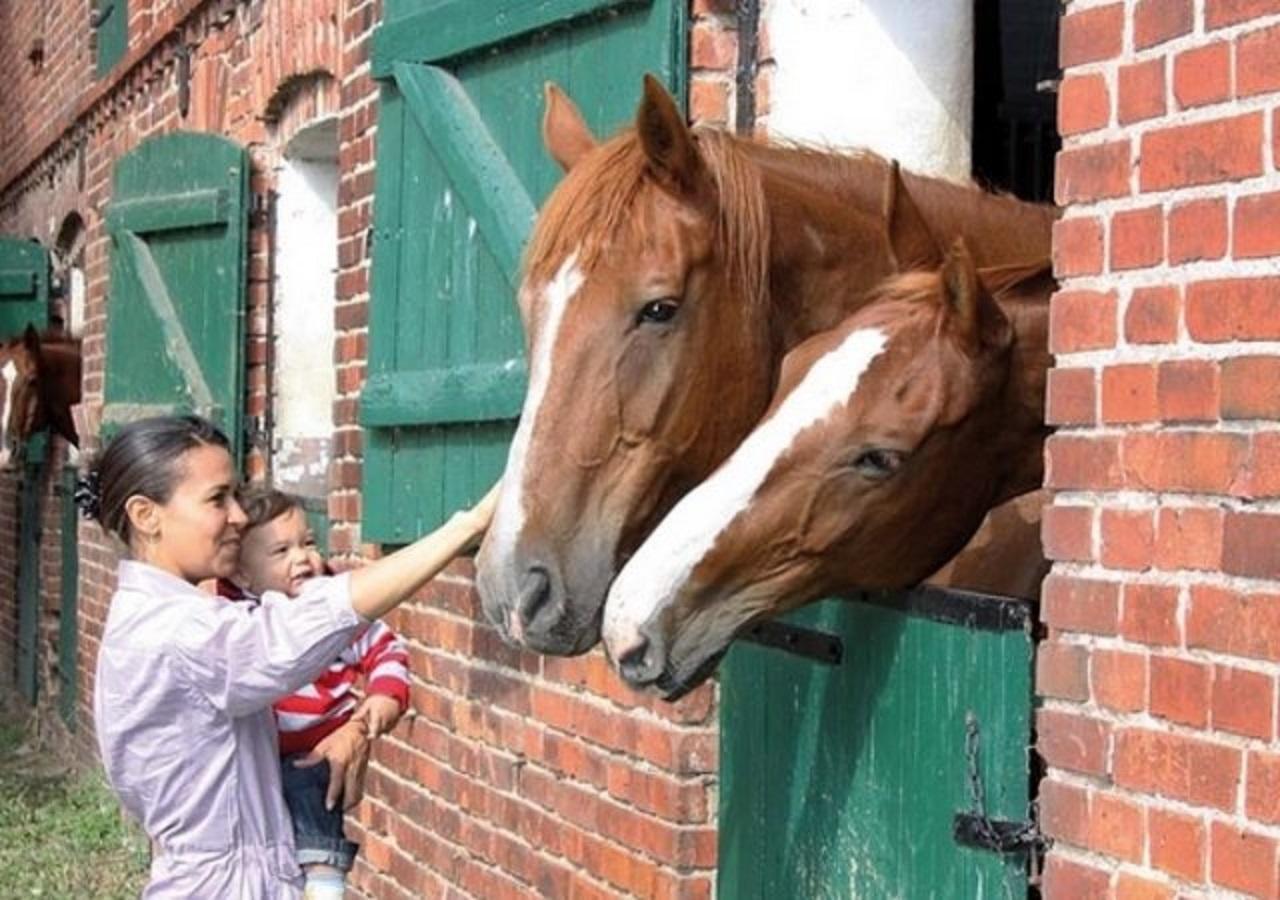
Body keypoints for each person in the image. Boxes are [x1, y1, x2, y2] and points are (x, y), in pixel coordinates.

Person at [80, 414, 495, 898]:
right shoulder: (175, 631)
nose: (237, 515)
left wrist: (355, 727)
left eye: (235, 495)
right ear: (146, 515)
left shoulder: (158, 616)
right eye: (217, 499)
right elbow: (293, 635)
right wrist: (468, 526)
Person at [217, 486, 409, 899]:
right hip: (255, 759)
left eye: (307, 542)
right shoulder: (235, 614)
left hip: (317, 750)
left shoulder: (330, 604)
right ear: (243, 574)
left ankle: (325, 884)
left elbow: (385, 646)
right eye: (280, 551)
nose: (302, 557)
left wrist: (383, 695)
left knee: (315, 817)